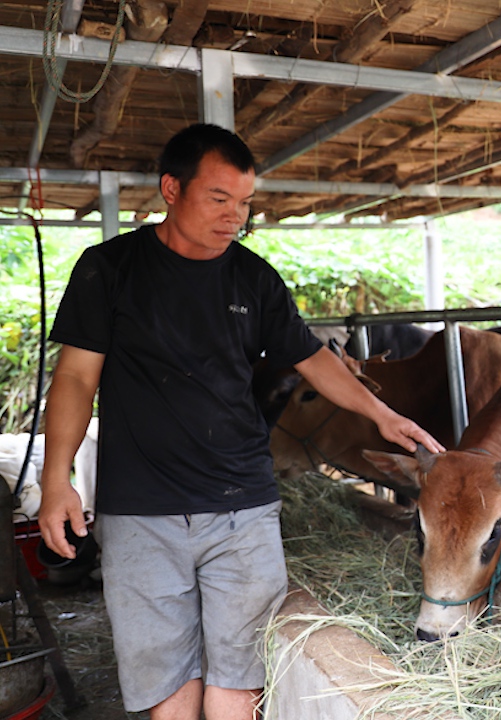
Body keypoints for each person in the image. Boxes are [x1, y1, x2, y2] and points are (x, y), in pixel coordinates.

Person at [38, 123, 445, 720]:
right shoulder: (110, 269)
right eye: (220, 199)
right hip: (140, 513)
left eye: (246, 203)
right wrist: (55, 480)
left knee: (237, 685)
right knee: (167, 695)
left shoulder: (254, 279)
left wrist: (382, 414)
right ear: (171, 189)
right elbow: (75, 378)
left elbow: (311, 358)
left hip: (242, 511)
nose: (236, 217)